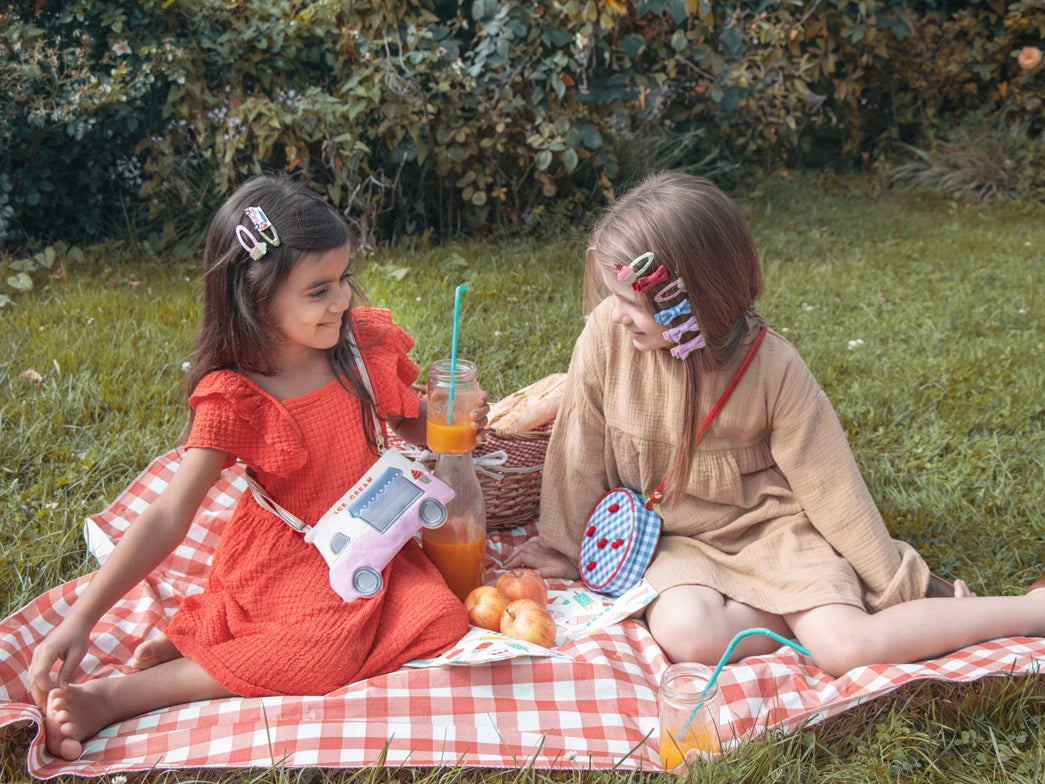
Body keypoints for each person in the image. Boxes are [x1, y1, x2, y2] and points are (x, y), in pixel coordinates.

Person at [506, 170, 1045, 677]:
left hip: (770, 530)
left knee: (847, 649)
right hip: (671, 539)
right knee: (686, 633)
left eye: (632, 302)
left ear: (694, 302)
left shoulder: (773, 368)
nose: (617, 313)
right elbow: (578, 444)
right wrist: (567, 544)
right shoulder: (608, 335)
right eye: (613, 298)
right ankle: (800, 613)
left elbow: (832, 487)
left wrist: (897, 584)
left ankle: (1026, 612)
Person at [29, 174, 487, 760]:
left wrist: (454, 420)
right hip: (291, 556)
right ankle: (120, 695)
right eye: (318, 290)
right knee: (321, 652)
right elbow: (170, 514)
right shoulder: (239, 395)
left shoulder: (359, 351)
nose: (344, 300)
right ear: (256, 297)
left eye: (344, 278)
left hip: (371, 539)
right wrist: (82, 617)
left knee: (442, 619)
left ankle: (211, 649)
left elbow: (410, 423)